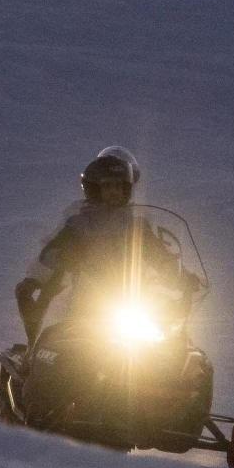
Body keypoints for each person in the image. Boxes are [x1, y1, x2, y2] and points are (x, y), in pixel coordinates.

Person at [14, 146, 184, 346]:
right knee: (59, 339)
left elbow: (155, 251)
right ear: (96, 189)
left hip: (125, 298)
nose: (113, 192)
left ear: (126, 188)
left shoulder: (137, 224)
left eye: (118, 186)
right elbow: (53, 247)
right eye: (107, 186)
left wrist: (177, 273)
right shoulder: (81, 220)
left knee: (163, 349)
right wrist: (62, 256)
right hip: (82, 296)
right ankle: (36, 354)